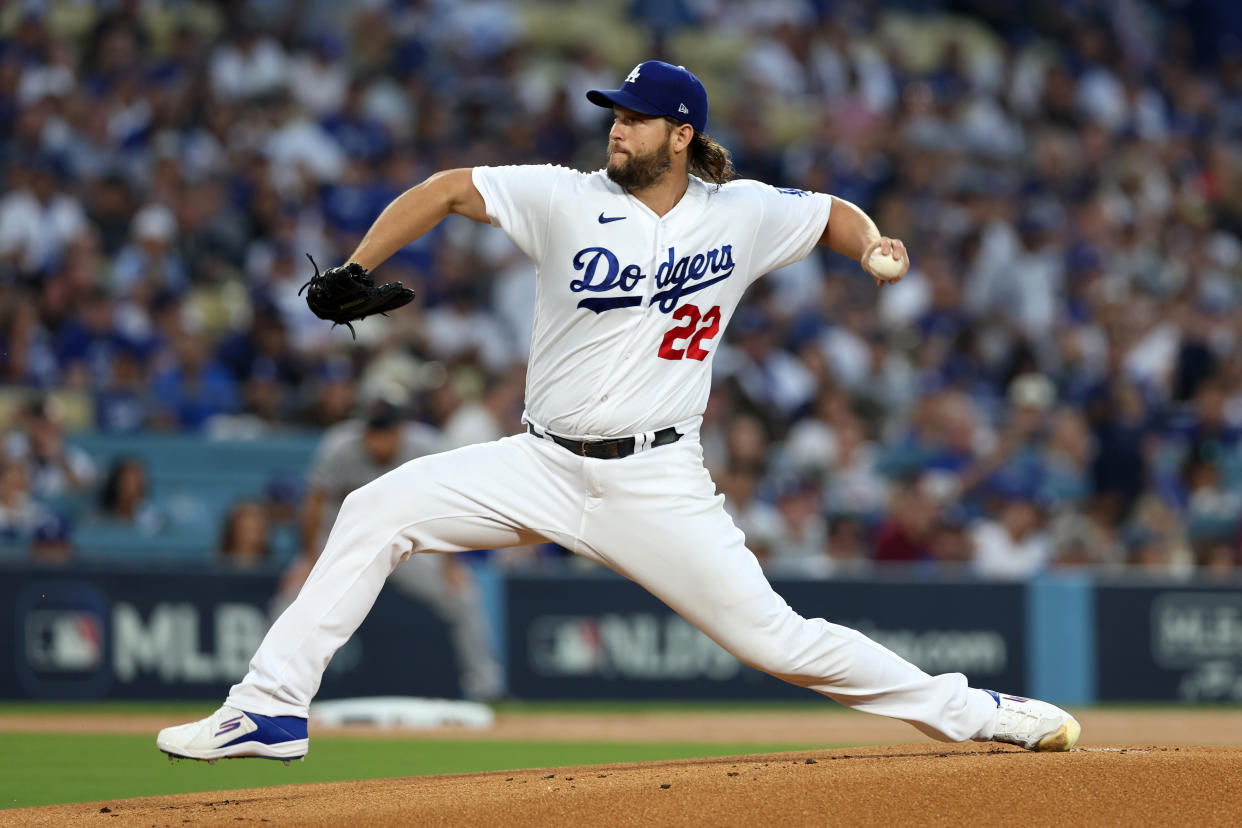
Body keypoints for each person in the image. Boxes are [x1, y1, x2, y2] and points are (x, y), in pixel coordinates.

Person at [158, 61, 1080, 763]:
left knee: (780, 641)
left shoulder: (742, 213)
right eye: (614, 115)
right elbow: (446, 189)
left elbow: (831, 210)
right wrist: (358, 264)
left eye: (635, 118)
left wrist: (873, 243)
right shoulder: (563, 197)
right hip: (540, 463)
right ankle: (271, 708)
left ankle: (977, 714)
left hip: (655, 478)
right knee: (375, 509)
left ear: (681, 134)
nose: (617, 128)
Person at [274, 394, 505, 702]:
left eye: (385, 432)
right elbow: (315, 502)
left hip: (406, 545)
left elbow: (450, 507)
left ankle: (486, 688)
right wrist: (308, 559)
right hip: (349, 544)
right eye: (373, 432)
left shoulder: (425, 446)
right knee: (293, 597)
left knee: (464, 596)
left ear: (401, 429)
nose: (377, 441)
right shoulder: (341, 445)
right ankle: (271, 690)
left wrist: (450, 566)